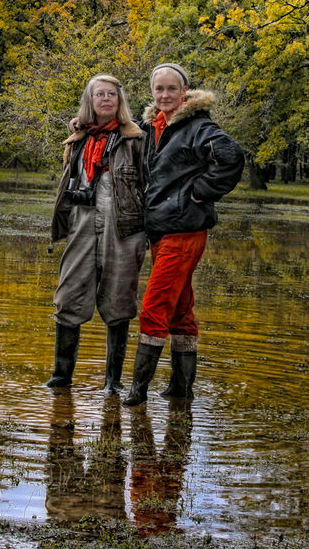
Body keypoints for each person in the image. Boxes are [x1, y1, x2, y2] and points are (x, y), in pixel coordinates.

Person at [122, 63, 244, 407]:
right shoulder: (154, 127)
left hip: (185, 230)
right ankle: (181, 389)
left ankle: (137, 392)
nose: (164, 95)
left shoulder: (198, 126)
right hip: (162, 230)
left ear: (184, 92)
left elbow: (232, 156)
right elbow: (118, 130)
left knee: (154, 307)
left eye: (171, 89)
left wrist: (201, 191)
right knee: (180, 311)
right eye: (158, 89)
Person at [47, 74, 147, 393]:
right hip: (81, 225)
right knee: (69, 297)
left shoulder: (137, 140)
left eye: (111, 95)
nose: (105, 99)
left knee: (119, 302)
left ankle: (113, 383)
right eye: (99, 94)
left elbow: (149, 186)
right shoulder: (77, 140)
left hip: (124, 230)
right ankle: (62, 377)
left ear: (120, 101)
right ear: (89, 102)